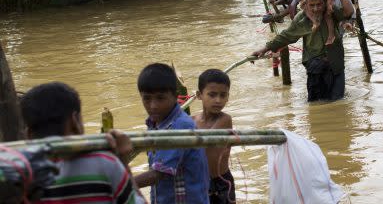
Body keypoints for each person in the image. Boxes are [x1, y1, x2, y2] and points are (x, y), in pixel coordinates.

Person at [20, 82, 146, 203]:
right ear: (75, 122)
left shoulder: (21, 175)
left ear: (29, 135)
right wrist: (123, 162)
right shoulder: (105, 164)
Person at [252, 0, 354, 102]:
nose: (316, 9)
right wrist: (264, 49)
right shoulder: (302, 19)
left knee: (338, 101)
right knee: (316, 103)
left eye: (319, 4)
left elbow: (349, 12)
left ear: (325, 3)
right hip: (315, 65)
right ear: (305, 4)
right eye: (312, 5)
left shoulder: (331, 12)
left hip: (336, 64)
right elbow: (286, 36)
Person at [134, 63, 209, 204]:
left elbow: (158, 174)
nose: (153, 105)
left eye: (160, 98)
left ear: (175, 96)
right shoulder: (154, 123)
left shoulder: (181, 125)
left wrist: (121, 183)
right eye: (147, 98)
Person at [193, 69, 235, 204]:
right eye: (212, 95)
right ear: (199, 95)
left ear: (228, 96)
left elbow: (205, 140)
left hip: (221, 181)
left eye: (223, 95)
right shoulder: (191, 120)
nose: (218, 100)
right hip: (198, 181)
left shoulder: (225, 119)